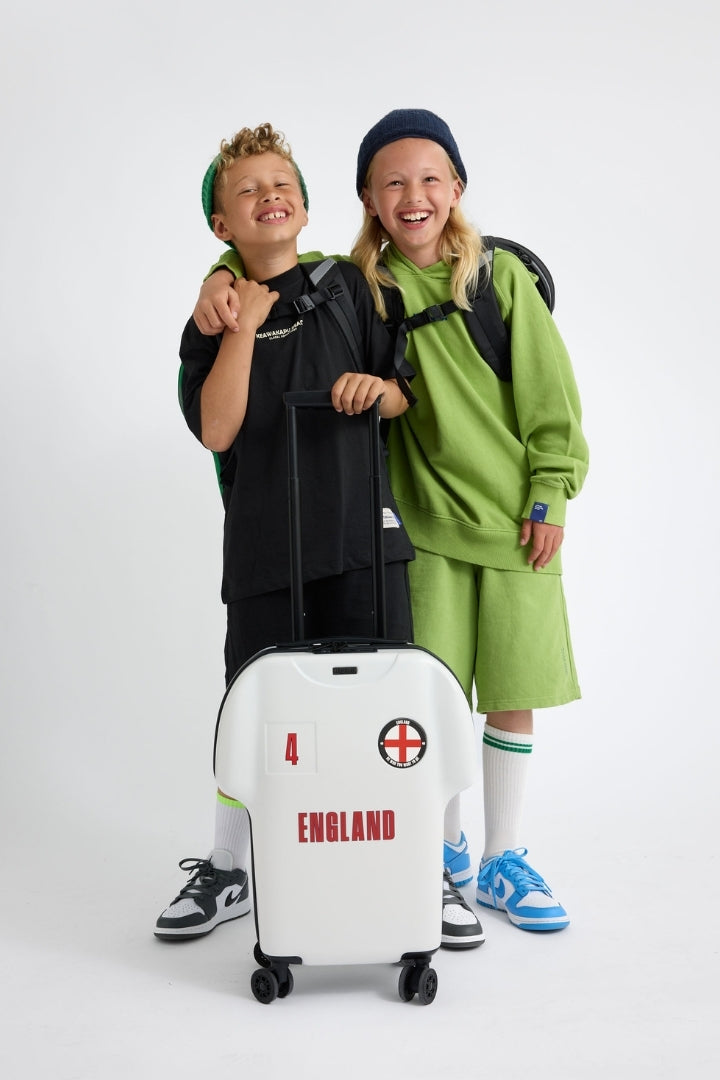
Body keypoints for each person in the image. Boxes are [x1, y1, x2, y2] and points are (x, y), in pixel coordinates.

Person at [195, 110, 590, 935]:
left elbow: (543, 398)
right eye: (393, 182)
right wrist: (220, 280)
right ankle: (432, 854)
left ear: (458, 187)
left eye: (431, 178)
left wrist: (549, 492)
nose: (415, 196)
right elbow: (271, 281)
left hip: (508, 524)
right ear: (368, 201)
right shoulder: (363, 284)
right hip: (412, 531)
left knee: (510, 694)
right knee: (422, 700)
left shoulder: (483, 280)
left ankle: (501, 856)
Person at [157, 122, 483, 950]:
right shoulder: (213, 315)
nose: (269, 194)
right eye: (246, 190)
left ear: (304, 202)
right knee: (250, 708)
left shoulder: (349, 283)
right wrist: (234, 321)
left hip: (361, 539)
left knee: (400, 704)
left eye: (282, 182)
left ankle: (429, 870)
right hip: (269, 552)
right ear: (222, 226)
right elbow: (219, 430)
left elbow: (405, 394)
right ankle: (230, 866)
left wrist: (378, 390)